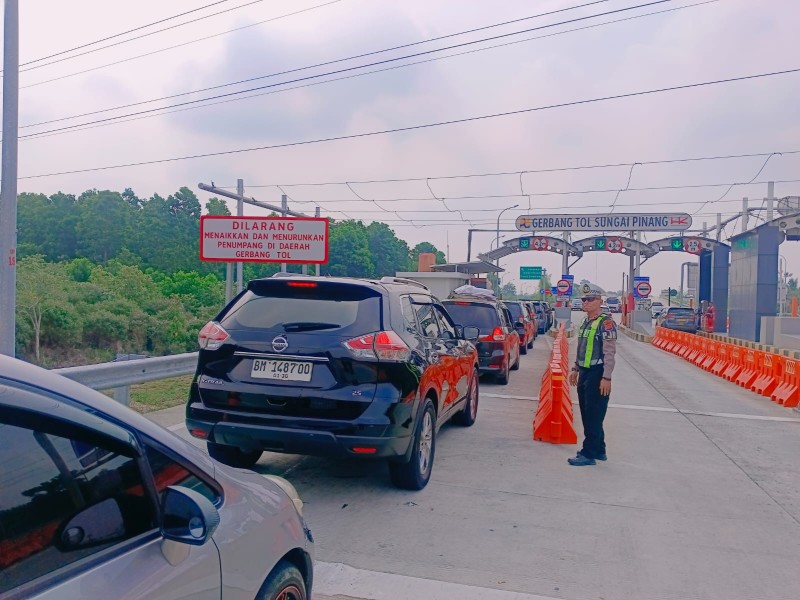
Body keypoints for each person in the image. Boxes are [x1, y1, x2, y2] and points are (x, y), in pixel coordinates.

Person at [567, 283, 617, 466]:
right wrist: (575, 368)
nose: (586, 302)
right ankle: (599, 450)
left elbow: (610, 353)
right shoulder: (585, 321)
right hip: (584, 372)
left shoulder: (606, 323)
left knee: (594, 415)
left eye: (590, 299)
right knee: (588, 414)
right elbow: (581, 349)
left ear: (600, 301)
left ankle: (588, 454)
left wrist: (607, 377)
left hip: (598, 373)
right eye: (584, 299)